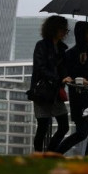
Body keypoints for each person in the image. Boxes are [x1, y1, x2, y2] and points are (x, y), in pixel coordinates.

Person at [56, 21, 88, 155]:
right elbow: (66, 75)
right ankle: (57, 153)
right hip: (79, 100)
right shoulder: (70, 54)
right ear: (81, 34)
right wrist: (80, 64)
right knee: (82, 133)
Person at [31, 15, 73, 152]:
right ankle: (38, 155)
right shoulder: (41, 46)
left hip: (56, 92)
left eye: (66, 31)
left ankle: (49, 153)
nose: (64, 33)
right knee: (43, 126)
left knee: (63, 126)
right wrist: (59, 79)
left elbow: (64, 69)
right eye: (63, 30)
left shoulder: (62, 49)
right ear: (54, 29)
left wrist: (65, 77)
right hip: (42, 91)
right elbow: (40, 68)